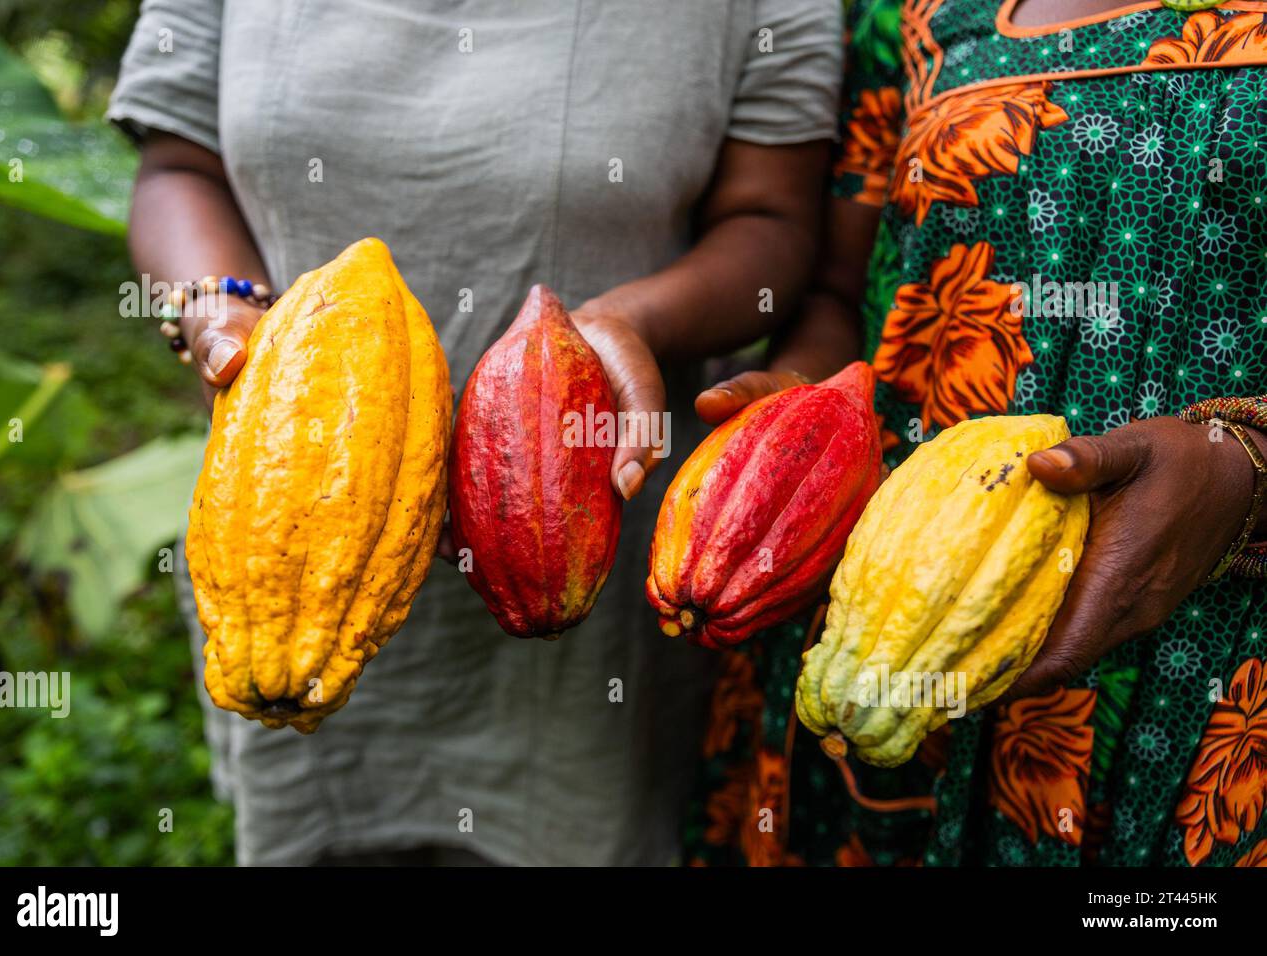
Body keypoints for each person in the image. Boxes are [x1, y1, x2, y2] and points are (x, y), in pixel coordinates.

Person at [108, 0, 842, 865]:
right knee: (316, 812)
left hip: (592, 540)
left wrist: (631, 322)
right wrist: (218, 304)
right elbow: (175, 166)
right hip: (290, 530)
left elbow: (775, 222)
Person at [686, 0, 1267, 867]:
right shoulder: (905, 14)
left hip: (1212, 674)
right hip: (899, 609)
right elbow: (842, 291)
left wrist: (1241, 471)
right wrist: (807, 421)